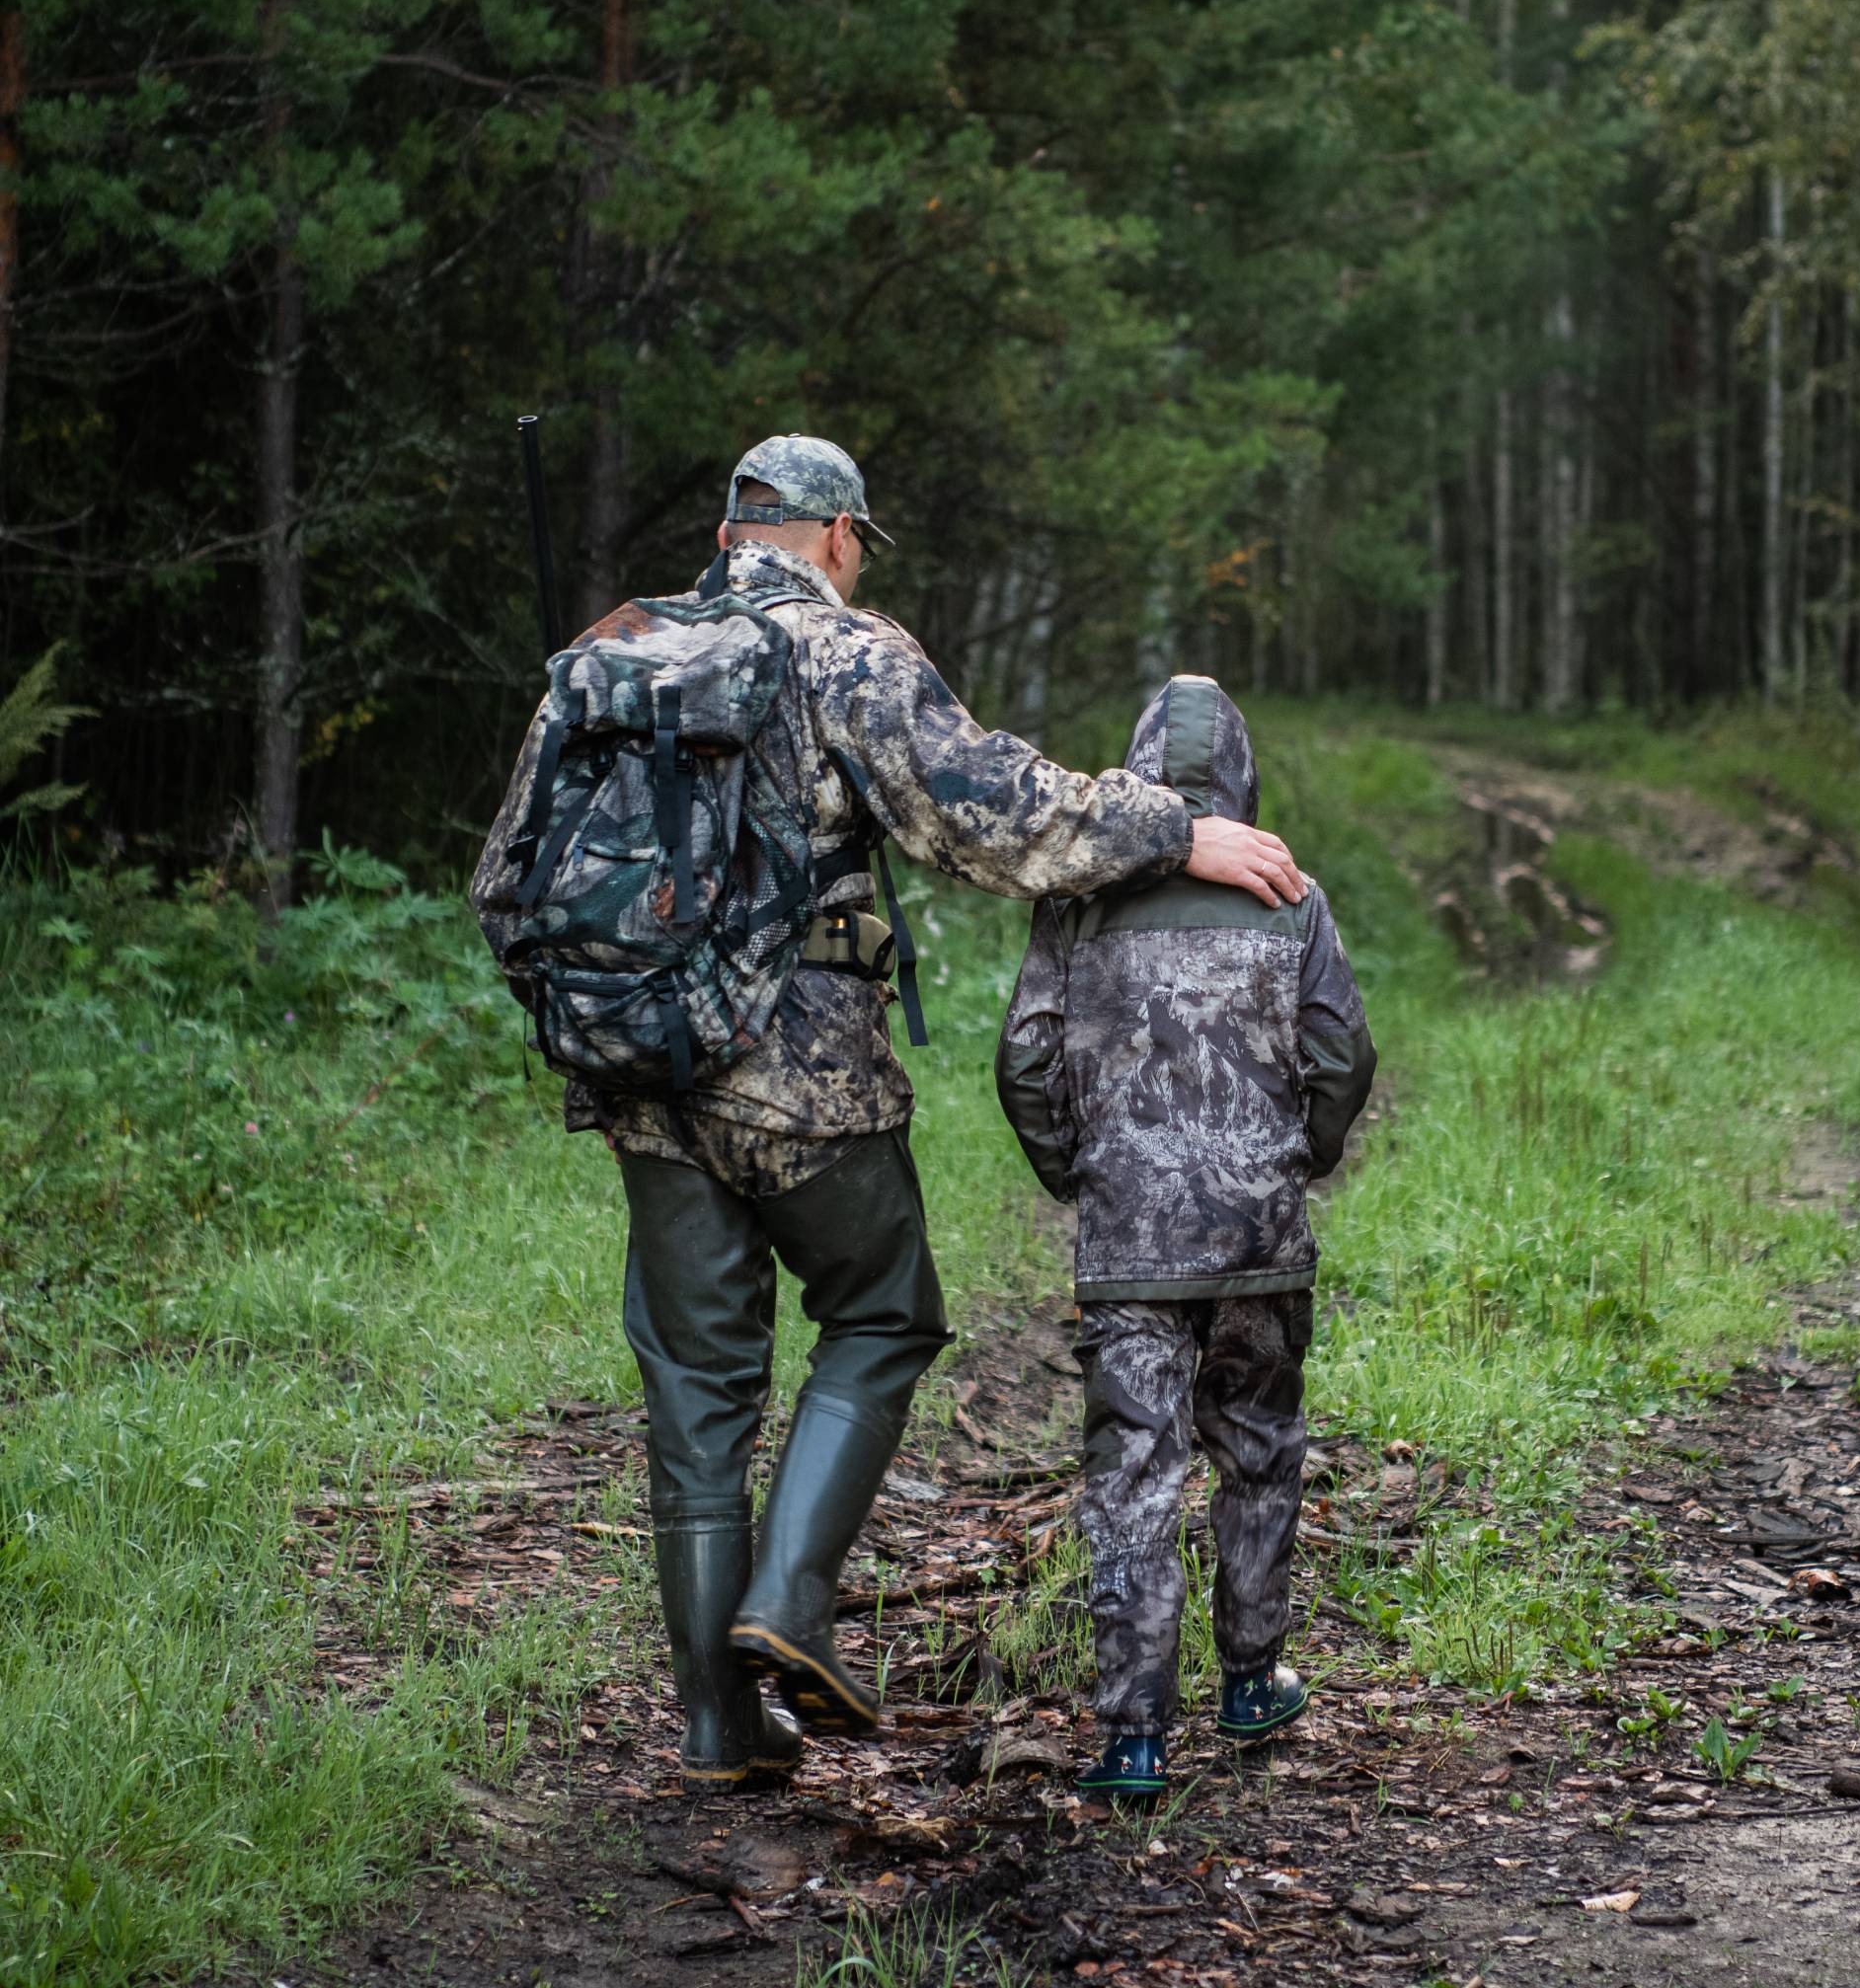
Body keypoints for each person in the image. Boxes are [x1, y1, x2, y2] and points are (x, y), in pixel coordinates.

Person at [473, 438, 1308, 1792]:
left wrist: (608, 1015)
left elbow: (503, 884)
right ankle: (788, 1606)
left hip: (637, 1081)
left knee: (697, 1394)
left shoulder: (613, 650)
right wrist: (1173, 829)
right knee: (882, 1311)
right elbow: (993, 815)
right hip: (803, 1079)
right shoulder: (848, 655)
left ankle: (717, 1729)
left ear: (736, 527)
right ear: (840, 538)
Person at [995, 673, 1374, 1803]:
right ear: (1242, 774)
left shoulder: (1076, 901)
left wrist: (1080, 1168)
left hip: (1130, 1247)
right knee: (1257, 1448)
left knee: (1135, 1476)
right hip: (1258, 1236)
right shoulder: (1287, 892)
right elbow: (1342, 1052)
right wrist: (1297, 1154)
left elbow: (1025, 1059)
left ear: (1138, 771)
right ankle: (1252, 1682)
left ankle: (1134, 1740)